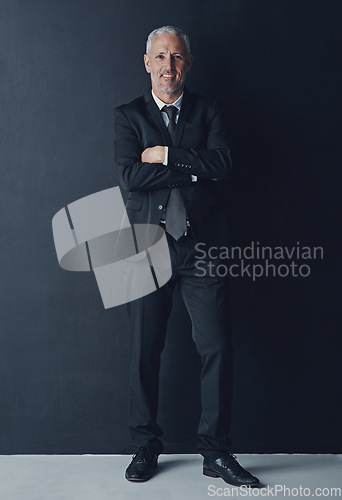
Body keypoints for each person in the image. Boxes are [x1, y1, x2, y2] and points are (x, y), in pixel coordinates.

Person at [113, 25, 260, 487]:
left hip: (203, 248)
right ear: (146, 62)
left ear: (188, 64)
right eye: (160, 57)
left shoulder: (208, 109)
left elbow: (226, 165)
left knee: (217, 347)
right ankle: (145, 445)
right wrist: (194, 169)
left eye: (176, 58)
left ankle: (215, 453)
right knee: (144, 350)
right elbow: (131, 177)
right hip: (148, 248)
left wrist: (166, 155)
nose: (168, 66)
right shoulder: (127, 115)